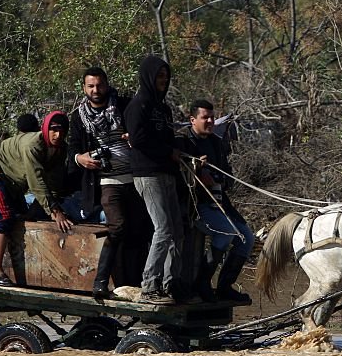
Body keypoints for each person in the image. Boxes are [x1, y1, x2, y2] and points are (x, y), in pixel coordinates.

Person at [68, 67, 152, 300]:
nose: (96, 90)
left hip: (135, 178)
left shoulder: (126, 106)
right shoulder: (79, 116)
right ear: (84, 88)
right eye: (91, 86)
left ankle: (137, 284)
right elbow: (73, 148)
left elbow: (144, 130)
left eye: (100, 85)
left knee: (140, 230)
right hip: (106, 180)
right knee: (117, 226)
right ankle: (100, 281)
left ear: (107, 84)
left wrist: (133, 137)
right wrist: (80, 158)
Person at [0, 111, 74, 286]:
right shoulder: (33, 146)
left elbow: (54, 182)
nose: (58, 135)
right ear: (45, 129)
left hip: (14, 181)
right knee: (6, 216)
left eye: (62, 130)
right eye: (53, 130)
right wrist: (55, 211)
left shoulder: (61, 149)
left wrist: (46, 209)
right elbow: (36, 181)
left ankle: (24, 273)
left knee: (25, 217)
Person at [123, 55, 184, 305]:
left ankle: (171, 285)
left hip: (167, 172)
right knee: (163, 228)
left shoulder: (164, 108)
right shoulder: (138, 105)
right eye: (159, 76)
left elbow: (168, 139)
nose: (163, 80)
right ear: (148, 76)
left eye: (165, 76)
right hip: (147, 173)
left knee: (178, 232)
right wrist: (167, 151)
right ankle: (149, 286)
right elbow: (138, 140)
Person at [183, 99, 253, 302]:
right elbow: (179, 171)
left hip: (220, 202)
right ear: (192, 119)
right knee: (226, 234)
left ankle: (224, 286)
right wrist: (196, 171)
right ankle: (202, 283)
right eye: (205, 117)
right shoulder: (184, 140)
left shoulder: (215, 142)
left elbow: (227, 173)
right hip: (195, 205)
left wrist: (219, 180)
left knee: (246, 239)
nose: (210, 121)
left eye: (212, 117)